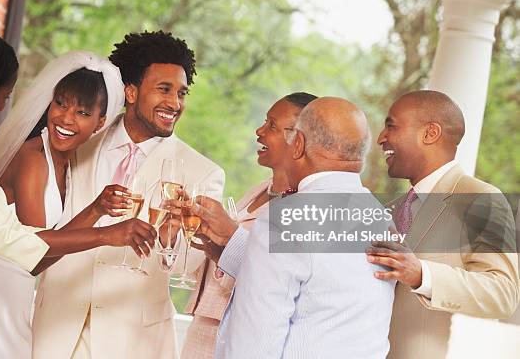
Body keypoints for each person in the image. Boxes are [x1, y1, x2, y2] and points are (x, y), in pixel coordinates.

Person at [0, 31, 156, 349]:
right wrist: (109, 233)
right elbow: (21, 247)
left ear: (100, 121)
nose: (2, 106)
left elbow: (33, 251)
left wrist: (95, 210)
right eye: (6, 94)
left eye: (82, 112)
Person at [32, 31, 225, 359]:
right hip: (56, 329)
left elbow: (185, 268)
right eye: (164, 89)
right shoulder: (77, 144)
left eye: (181, 93)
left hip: (135, 343)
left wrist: (170, 234)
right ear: (131, 92)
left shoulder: (202, 173)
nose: (174, 104)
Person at [194, 97, 396, 358]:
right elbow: (322, 292)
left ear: (298, 144)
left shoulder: (284, 220)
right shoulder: (381, 219)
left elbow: (254, 346)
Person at [366, 90, 519, 358]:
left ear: (430, 134)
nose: (381, 138)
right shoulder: (389, 210)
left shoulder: (480, 199)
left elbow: (502, 294)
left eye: (391, 126)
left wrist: (421, 274)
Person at [181, 92, 317, 359]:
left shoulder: (307, 208)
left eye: (272, 126)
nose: (259, 131)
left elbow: (285, 282)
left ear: (298, 140)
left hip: (239, 335)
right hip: (204, 326)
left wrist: (229, 235)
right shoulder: (258, 191)